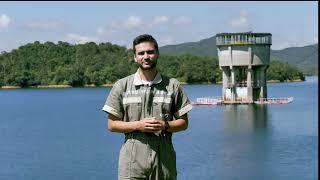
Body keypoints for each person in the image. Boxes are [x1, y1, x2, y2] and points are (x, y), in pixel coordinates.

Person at [102, 34, 192, 180]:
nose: (146, 56)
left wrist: (164, 125)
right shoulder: (122, 86)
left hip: (164, 160)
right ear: (135, 57)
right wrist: (139, 125)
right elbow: (112, 125)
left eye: (150, 52)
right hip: (132, 161)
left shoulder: (172, 85)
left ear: (157, 54)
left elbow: (184, 123)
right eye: (141, 53)